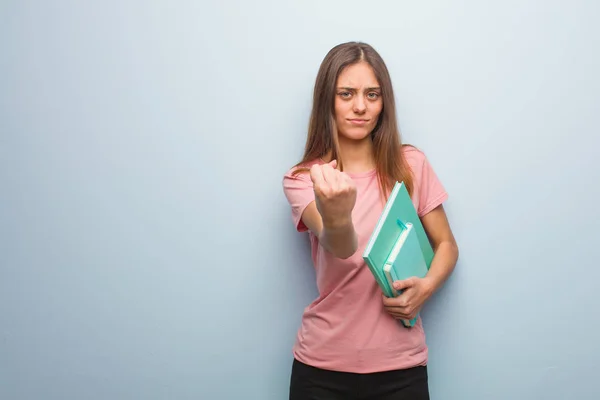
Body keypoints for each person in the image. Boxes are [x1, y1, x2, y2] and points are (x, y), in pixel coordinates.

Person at [281, 41, 459, 399]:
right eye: (346, 94)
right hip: (321, 369)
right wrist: (337, 210)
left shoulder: (411, 166)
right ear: (327, 100)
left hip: (401, 367)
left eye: (372, 94)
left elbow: (447, 246)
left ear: (384, 102)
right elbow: (340, 246)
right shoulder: (305, 179)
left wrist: (425, 289)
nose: (360, 106)